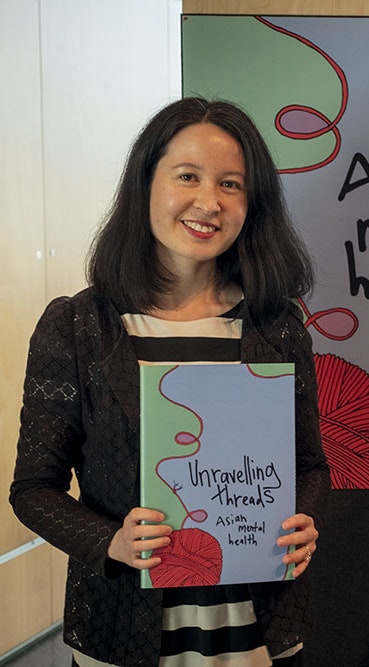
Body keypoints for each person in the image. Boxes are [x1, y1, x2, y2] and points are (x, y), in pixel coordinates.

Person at [9, 97, 330, 667]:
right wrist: (110, 541)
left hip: (257, 628)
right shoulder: (79, 326)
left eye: (232, 184)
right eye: (188, 176)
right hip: (124, 626)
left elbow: (308, 465)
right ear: (146, 184)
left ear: (252, 204)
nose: (209, 202)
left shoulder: (276, 326)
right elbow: (34, 490)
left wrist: (304, 519)